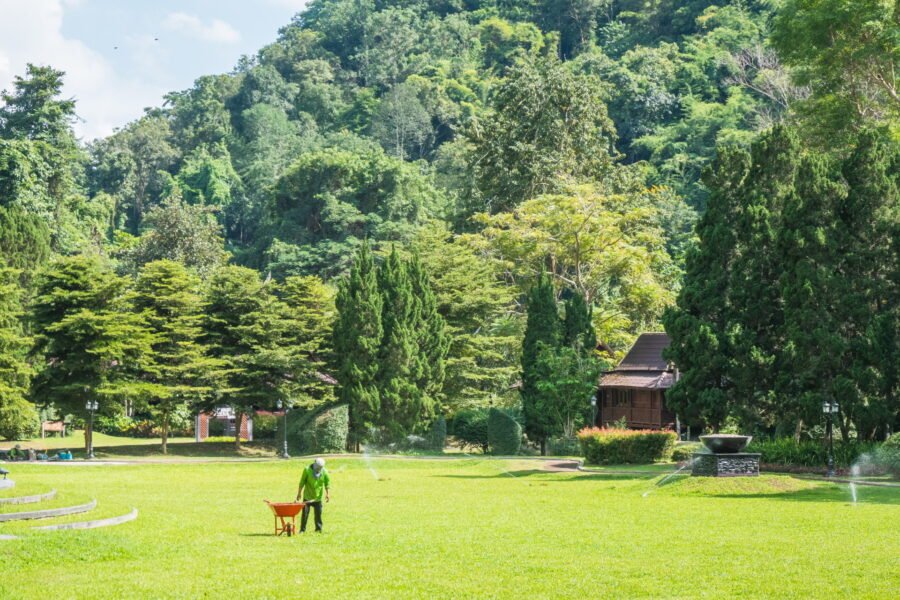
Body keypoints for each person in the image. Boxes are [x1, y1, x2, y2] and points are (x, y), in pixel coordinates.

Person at [295, 457, 330, 533]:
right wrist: (299, 493)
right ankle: (302, 530)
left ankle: (318, 529)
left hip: (317, 497)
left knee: (318, 515)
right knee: (305, 514)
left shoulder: (325, 472)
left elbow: (327, 484)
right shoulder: (307, 470)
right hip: (307, 496)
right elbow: (302, 482)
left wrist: (327, 494)